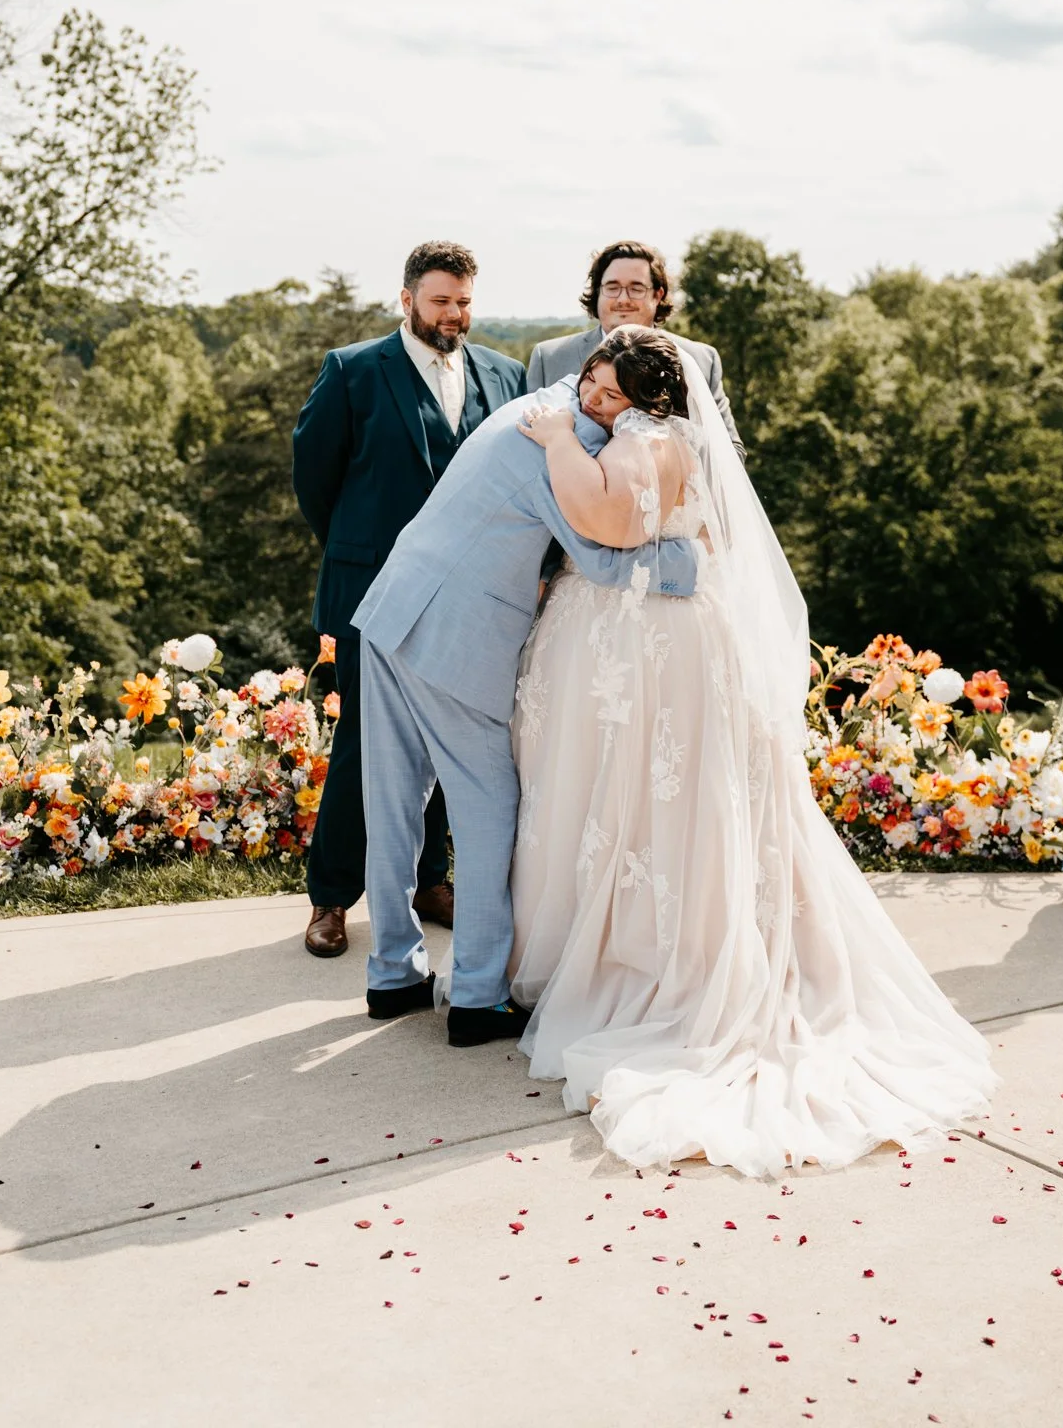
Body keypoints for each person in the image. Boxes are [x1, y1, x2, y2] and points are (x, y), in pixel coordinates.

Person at [511, 327, 996, 1177]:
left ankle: (660, 963)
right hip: (654, 640)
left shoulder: (651, 441)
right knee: (632, 801)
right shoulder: (666, 435)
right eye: (589, 380)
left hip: (653, 651)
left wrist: (557, 441)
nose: (593, 396)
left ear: (649, 399)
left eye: (610, 388)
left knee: (650, 801)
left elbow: (607, 521)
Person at [351, 369, 704, 1047]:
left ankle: (391, 973)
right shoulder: (560, 444)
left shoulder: (534, 406)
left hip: (392, 604)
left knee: (392, 805)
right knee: (488, 812)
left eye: (615, 400)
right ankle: (479, 999)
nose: (604, 409)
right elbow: (599, 562)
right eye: (603, 394)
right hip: (452, 635)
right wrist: (692, 565)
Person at [292, 240, 526, 957]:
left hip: (474, 600)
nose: (453, 315)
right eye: (439, 301)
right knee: (367, 743)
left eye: (462, 302)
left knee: (456, 741)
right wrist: (364, 555)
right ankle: (331, 898)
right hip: (375, 594)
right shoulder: (354, 370)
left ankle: (431, 883)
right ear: (406, 300)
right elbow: (314, 479)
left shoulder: (504, 375)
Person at [527, 239, 744, 457]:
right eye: (612, 287)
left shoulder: (701, 359)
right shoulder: (549, 357)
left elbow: (732, 453)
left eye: (636, 288)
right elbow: (524, 441)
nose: (623, 299)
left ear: (657, 295)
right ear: (597, 291)